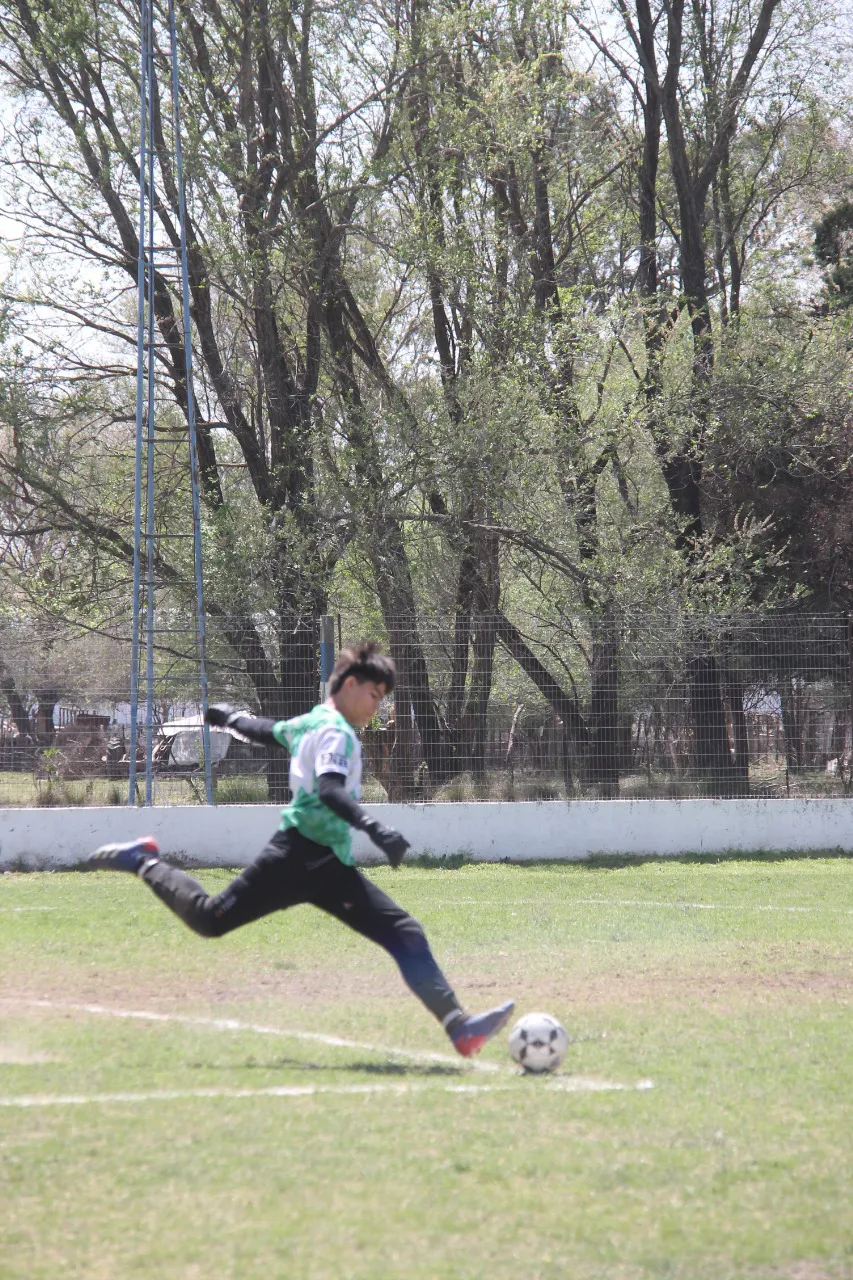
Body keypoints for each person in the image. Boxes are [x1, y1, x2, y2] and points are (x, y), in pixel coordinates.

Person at [89, 642, 514, 1058]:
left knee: (404, 932)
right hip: (292, 858)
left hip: (330, 867)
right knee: (208, 918)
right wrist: (374, 827)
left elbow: (265, 731)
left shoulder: (310, 723)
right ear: (349, 684)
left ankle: (459, 1028)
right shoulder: (336, 734)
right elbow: (329, 789)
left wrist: (229, 718)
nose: (376, 707)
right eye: (374, 695)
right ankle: (143, 859)